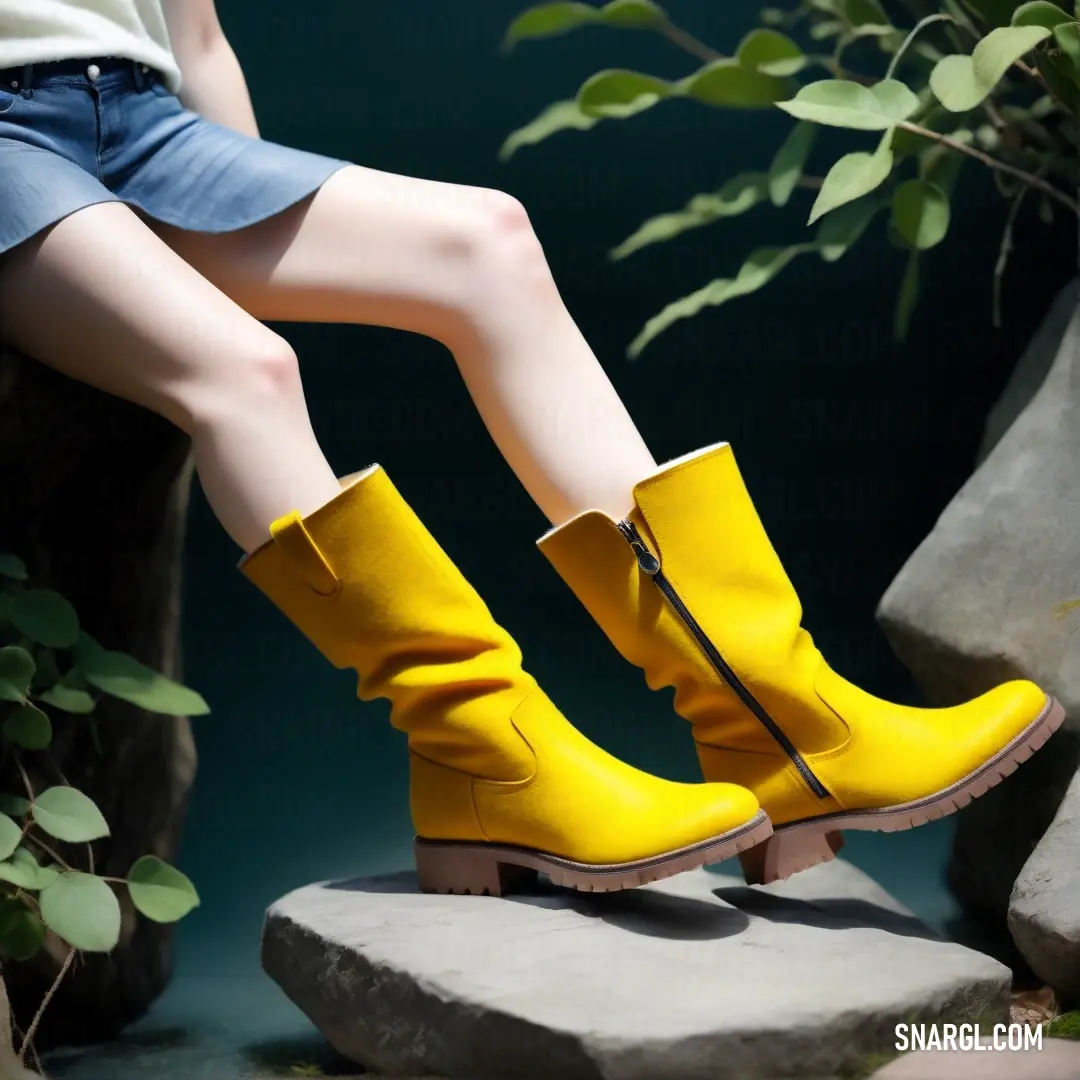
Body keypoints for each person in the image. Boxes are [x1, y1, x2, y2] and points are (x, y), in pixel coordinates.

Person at [0, 0, 1061, 898]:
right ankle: (484, 758)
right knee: (249, 374)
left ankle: (778, 717)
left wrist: (239, 194)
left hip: (140, 112)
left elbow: (200, 34)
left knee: (491, 246)